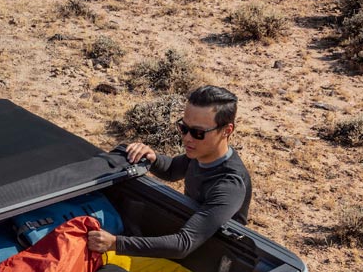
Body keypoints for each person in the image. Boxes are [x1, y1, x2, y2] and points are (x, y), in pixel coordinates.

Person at [87, 85, 252, 260]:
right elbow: (173, 170)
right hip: (193, 237)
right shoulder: (202, 153)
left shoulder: (230, 185)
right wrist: (152, 157)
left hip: (214, 256)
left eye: (198, 132)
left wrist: (116, 243)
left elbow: (183, 244)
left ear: (226, 131)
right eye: (184, 128)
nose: (187, 138)